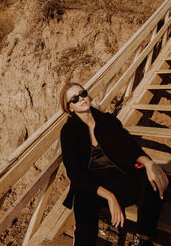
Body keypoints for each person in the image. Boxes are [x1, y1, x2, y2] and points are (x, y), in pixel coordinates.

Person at [60, 82, 169, 246]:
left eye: (83, 93)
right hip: (95, 187)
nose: (81, 98)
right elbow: (75, 173)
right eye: (74, 99)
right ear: (70, 108)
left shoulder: (108, 121)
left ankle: (142, 239)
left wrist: (149, 164)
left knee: (152, 179)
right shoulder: (69, 132)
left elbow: (130, 147)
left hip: (120, 180)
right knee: (82, 195)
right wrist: (109, 197)